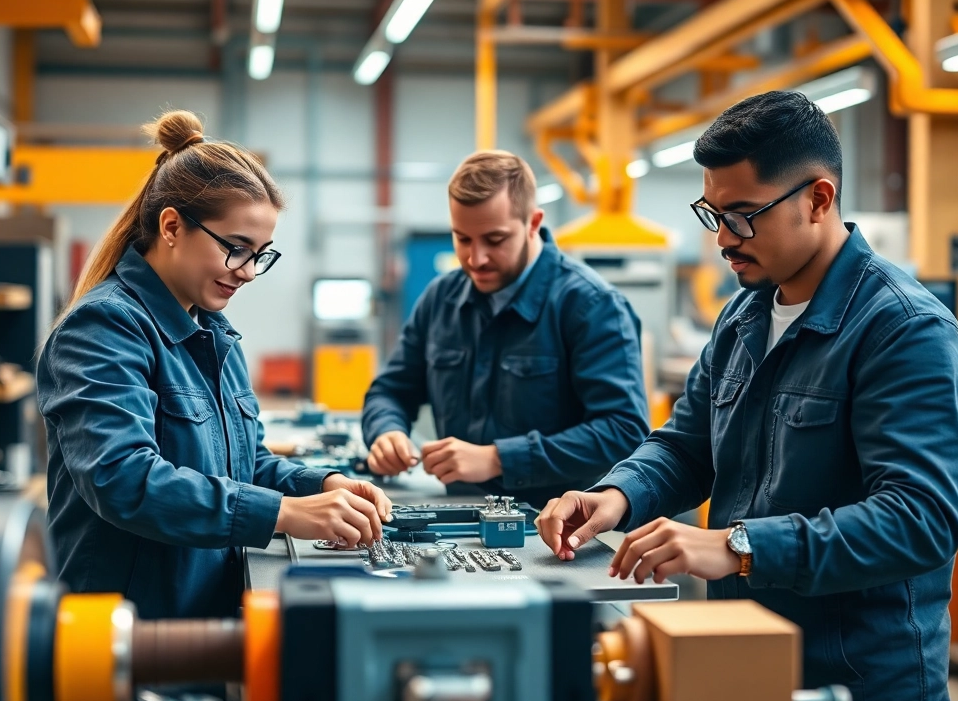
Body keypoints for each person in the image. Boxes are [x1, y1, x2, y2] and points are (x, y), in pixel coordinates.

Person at [536, 91, 958, 701]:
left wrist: (739, 546)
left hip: (858, 682)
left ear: (818, 200)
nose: (722, 238)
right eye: (713, 213)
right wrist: (616, 495)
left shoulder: (904, 331)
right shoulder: (745, 315)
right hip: (742, 654)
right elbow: (687, 446)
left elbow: (919, 521)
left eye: (743, 215)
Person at [38, 111, 392, 620]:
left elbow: (240, 464)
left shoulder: (212, 332)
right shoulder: (104, 328)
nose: (248, 272)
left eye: (261, 255)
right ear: (172, 226)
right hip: (126, 628)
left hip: (201, 611)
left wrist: (319, 485)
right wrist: (285, 513)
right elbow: (122, 478)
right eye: (236, 249)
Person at [362, 150, 650, 509]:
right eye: (462, 239)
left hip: (558, 533)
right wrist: (386, 431)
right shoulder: (441, 299)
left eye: (494, 240)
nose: (476, 258)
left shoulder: (591, 306)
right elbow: (389, 391)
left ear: (533, 222)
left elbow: (622, 431)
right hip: (461, 518)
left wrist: (498, 459)